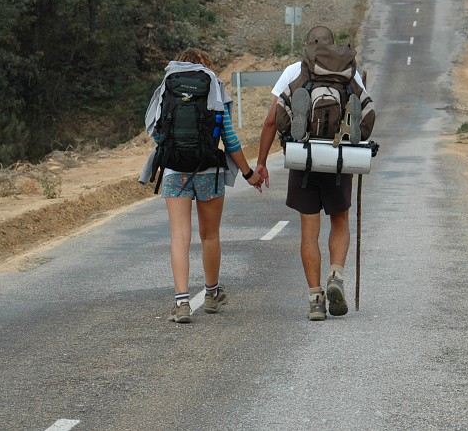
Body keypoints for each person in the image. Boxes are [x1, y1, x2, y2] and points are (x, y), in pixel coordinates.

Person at [255, 25, 370, 321]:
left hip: (303, 156)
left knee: (309, 229)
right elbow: (368, 115)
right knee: (340, 219)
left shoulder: (294, 70)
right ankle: (336, 275)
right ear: (332, 46)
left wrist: (261, 162)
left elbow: (271, 121)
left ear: (308, 46)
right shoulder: (350, 71)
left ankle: (316, 299)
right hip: (339, 158)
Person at [140, 47, 263, 324]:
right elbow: (229, 139)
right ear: (206, 66)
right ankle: (211, 294)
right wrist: (247, 173)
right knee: (209, 235)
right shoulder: (213, 87)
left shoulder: (166, 87)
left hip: (174, 172)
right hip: (209, 170)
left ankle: (182, 303)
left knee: (179, 237)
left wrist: (176, 149)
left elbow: (156, 133)